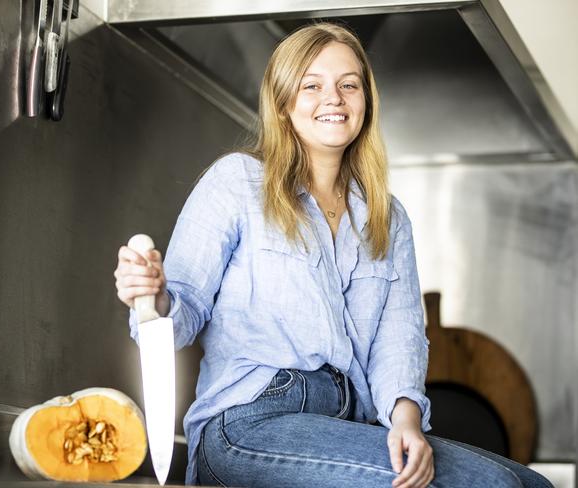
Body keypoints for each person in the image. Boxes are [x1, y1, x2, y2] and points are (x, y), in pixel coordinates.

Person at [114, 22, 552, 488]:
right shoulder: (237, 182)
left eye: (349, 85)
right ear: (284, 104)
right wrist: (155, 299)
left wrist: (405, 421)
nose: (335, 99)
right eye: (312, 85)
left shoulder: (388, 217)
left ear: (365, 100)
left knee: (533, 485)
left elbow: (399, 339)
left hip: (354, 423)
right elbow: (181, 312)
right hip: (249, 423)